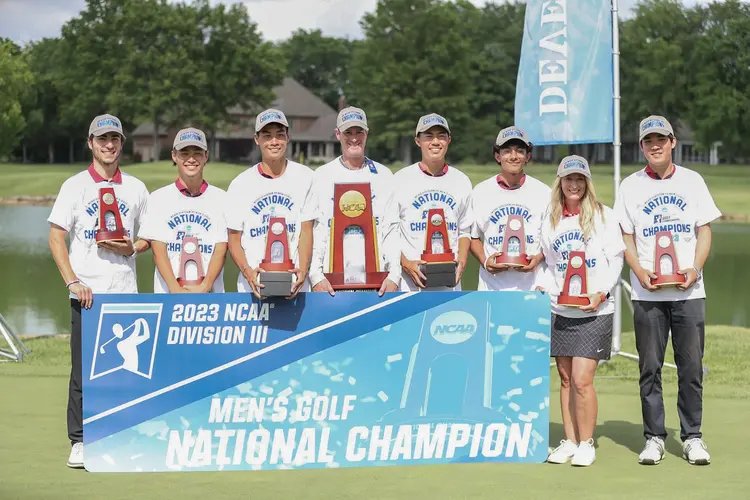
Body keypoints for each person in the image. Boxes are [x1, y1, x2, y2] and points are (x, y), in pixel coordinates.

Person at [615, 115, 721, 466]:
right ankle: (655, 437)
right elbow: (625, 235)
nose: (655, 145)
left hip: (689, 292)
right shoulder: (630, 185)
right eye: (648, 141)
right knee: (650, 367)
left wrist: (695, 268)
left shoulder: (692, 180)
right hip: (648, 293)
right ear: (642, 146)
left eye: (661, 139)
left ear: (673, 141)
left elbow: (704, 230)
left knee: (691, 367)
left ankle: (692, 436)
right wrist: (638, 269)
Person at [47, 114, 150, 469]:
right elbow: (55, 236)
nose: (109, 145)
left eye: (115, 139)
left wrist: (133, 247)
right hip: (88, 294)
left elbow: (149, 236)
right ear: (90, 142)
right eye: (102, 139)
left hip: (126, 291)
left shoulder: (136, 188)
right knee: (82, 371)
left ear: (122, 144)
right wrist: (72, 281)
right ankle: (79, 439)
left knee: (127, 371)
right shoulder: (74, 186)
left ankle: (122, 434)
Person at [536, 155, 625, 467]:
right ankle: (570, 441)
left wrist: (601, 293)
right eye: (567, 179)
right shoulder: (550, 218)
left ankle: (587, 442)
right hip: (560, 308)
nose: (573, 185)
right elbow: (548, 263)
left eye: (579, 179)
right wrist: (544, 287)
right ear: (559, 182)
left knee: (582, 378)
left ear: (587, 183)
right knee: (564, 377)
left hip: (594, 309)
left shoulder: (604, 216)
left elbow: (616, 260)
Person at [309, 106, 401, 296]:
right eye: (347, 132)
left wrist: (394, 275)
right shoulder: (321, 176)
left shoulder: (384, 175)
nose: (354, 138)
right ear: (337, 134)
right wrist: (316, 276)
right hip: (331, 283)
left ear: (367, 133)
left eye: (359, 132)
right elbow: (317, 231)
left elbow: (391, 229)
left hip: (377, 282)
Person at [227, 109, 316, 299]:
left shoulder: (306, 177)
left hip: (295, 285)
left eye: (280, 135)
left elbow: (306, 230)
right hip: (252, 287)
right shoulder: (240, 184)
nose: (274, 142)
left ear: (288, 137)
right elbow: (234, 239)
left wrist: (303, 270)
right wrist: (247, 272)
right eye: (267, 136)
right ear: (256, 139)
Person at [138, 128, 228, 293]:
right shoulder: (158, 198)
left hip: (210, 297)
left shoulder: (222, 198)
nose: (191, 159)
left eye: (197, 153)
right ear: (174, 156)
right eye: (184, 153)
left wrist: (205, 286)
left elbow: (220, 249)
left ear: (206, 156)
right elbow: (159, 251)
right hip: (169, 295)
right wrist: (174, 289)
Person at [393, 113, 472, 291]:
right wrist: (405, 263)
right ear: (417, 141)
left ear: (449, 140)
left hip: (449, 283)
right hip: (410, 284)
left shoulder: (462, 181)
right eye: (428, 136)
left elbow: (465, 229)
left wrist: (463, 261)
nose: (435, 142)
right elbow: (388, 232)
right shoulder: (400, 180)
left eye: (441, 136)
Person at [470, 126, 550, 290]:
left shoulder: (544, 193)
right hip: (492, 288)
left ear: (527, 156)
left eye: (520, 151)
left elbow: (551, 241)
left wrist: (538, 258)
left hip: (532, 288)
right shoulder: (480, 192)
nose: (513, 156)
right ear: (497, 156)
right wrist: (485, 261)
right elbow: (472, 237)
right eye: (507, 151)